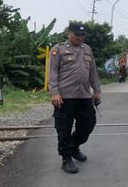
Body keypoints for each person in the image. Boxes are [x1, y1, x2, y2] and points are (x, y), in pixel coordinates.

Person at [48, 22, 102, 174]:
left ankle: (73, 147)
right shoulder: (58, 49)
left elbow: (93, 72)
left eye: (82, 35)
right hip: (64, 96)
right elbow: (52, 73)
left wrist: (96, 90)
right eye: (77, 34)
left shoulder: (87, 49)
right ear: (68, 33)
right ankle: (66, 158)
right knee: (63, 128)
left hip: (84, 95)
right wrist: (55, 93)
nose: (80, 37)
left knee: (89, 123)